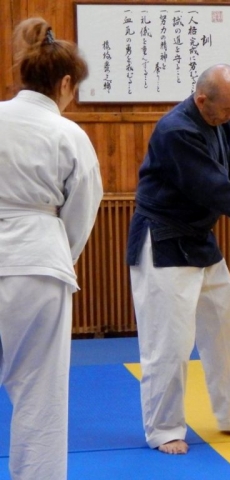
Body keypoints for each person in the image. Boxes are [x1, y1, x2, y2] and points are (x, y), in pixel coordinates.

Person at [126, 64, 230, 455]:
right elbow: (212, 187)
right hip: (163, 239)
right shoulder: (175, 130)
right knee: (169, 341)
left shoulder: (222, 123)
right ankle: (164, 428)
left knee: (228, 326)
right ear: (202, 100)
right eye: (227, 110)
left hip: (199, 238)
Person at [0, 17, 103, 479]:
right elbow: (83, 207)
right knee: (40, 395)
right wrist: (64, 255)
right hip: (39, 263)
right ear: (64, 83)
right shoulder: (68, 135)